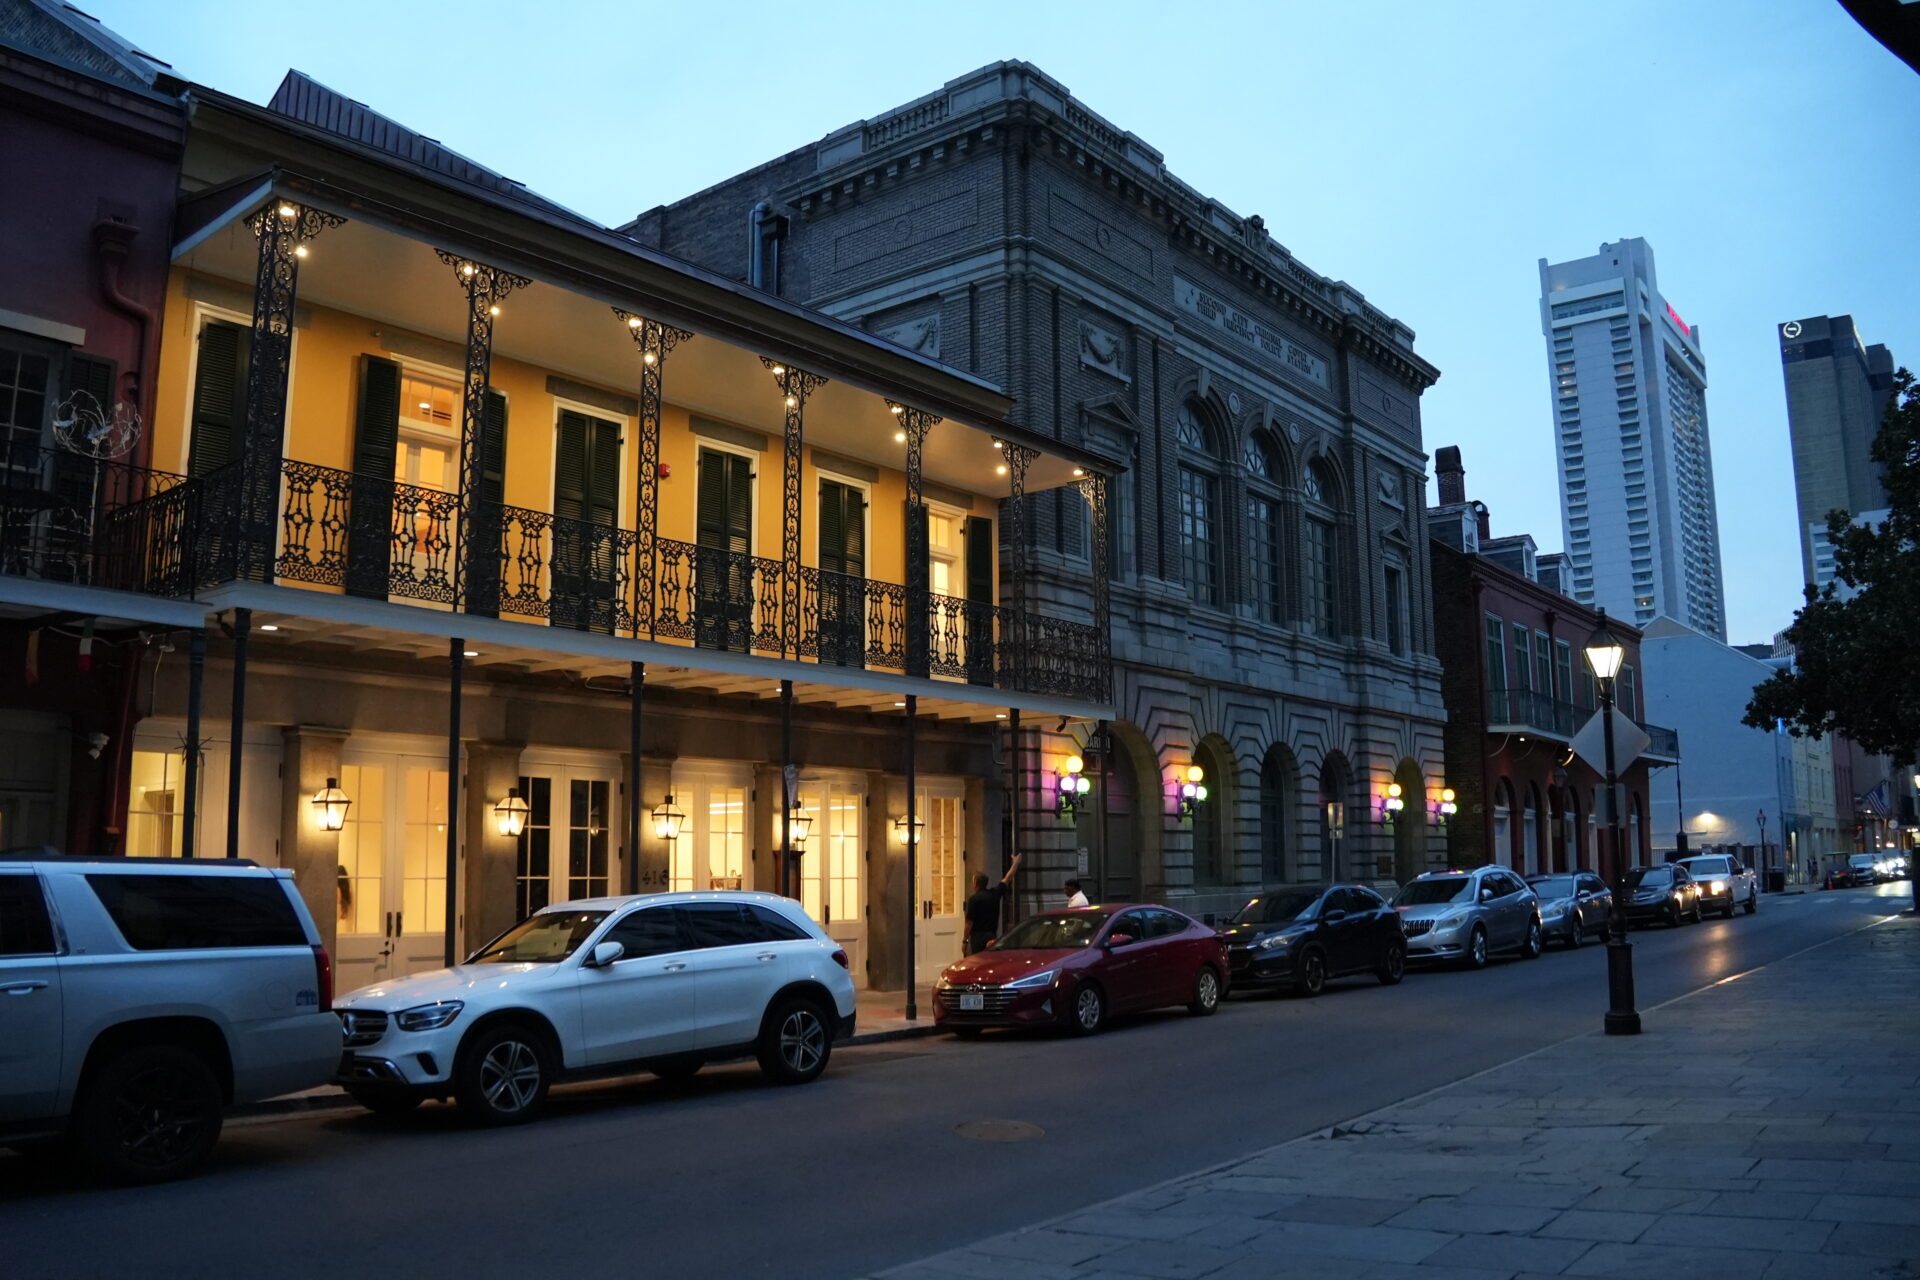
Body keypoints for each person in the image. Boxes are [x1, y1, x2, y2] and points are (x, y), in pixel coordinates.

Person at [963, 852, 1021, 955]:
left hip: (977, 938)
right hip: (991, 936)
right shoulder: (994, 894)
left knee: (978, 961)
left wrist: (965, 941)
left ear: (975, 883)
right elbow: (1008, 878)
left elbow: (969, 923)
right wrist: (1015, 863)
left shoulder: (973, 899)